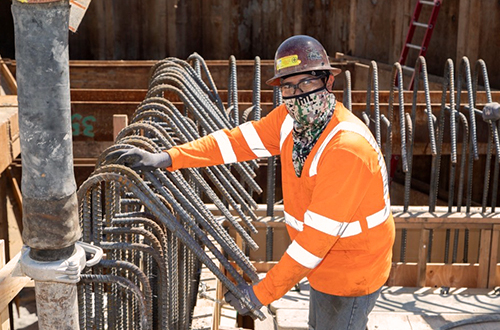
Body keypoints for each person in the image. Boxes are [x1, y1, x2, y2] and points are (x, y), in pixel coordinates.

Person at [109, 35, 395, 330]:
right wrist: (168, 158)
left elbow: (314, 243)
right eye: (288, 86)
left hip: (352, 268)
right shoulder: (290, 120)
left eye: (307, 83)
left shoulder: (346, 149)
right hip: (324, 263)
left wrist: (260, 294)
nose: (298, 95)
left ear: (328, 82)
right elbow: (233, 143)